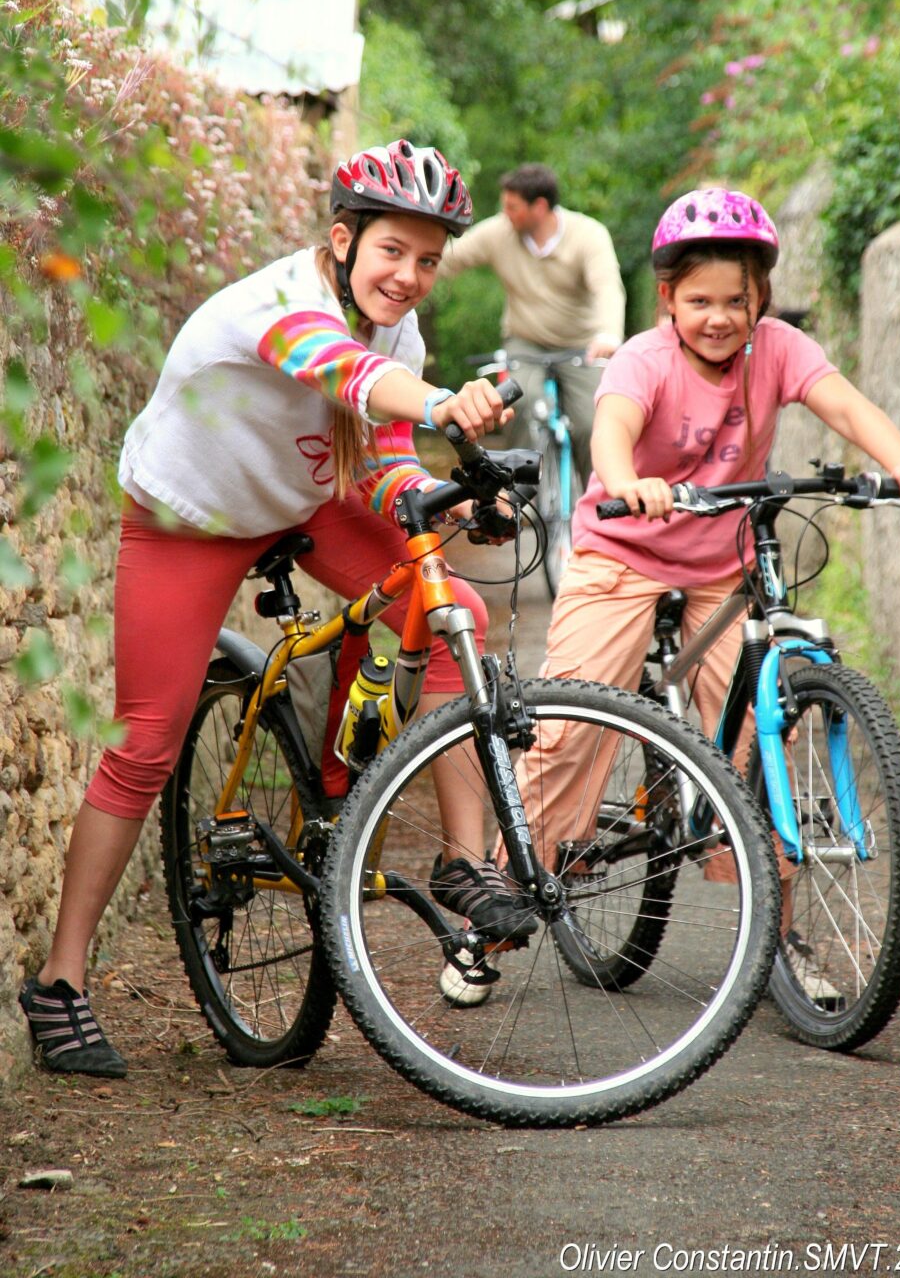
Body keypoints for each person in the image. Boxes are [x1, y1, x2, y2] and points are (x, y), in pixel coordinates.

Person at [18, 139, 534, 1077]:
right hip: (192, 521)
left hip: (301, 504)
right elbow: (344, 374)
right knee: (146, 742)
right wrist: (445, 405)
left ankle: (465, 862)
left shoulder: (398, 334)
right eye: (392, 253)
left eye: (428, 260)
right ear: (342, 241)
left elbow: (375, 462)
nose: (410, 276)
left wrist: (451, 497)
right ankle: (60, 981)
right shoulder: (278, 309)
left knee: (446, 600)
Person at [450, 185, 900, 1010]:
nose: (719, 316)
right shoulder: (645, 357)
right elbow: (611, 425)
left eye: (736, 301)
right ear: (669, 298)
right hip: (624, 548)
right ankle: (490, 918)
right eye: (700, 299)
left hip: (721, 554)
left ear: (762, 302)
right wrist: (628, 479)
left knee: (755, 745)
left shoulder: (778, 350)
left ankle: (777, 932)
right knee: (569, 728)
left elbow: (844, 404)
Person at [435, 162, 626, 486]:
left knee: (591, 422)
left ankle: (600, 504)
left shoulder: (588, 235)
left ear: (539, 207)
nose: (505, 213)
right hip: (526, 341)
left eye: (512, 207)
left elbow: (607, 287)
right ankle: (522, 499)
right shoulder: (499, 233)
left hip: (581, 344)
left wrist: (609, 333)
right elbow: (447, 258)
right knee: (522, 406)